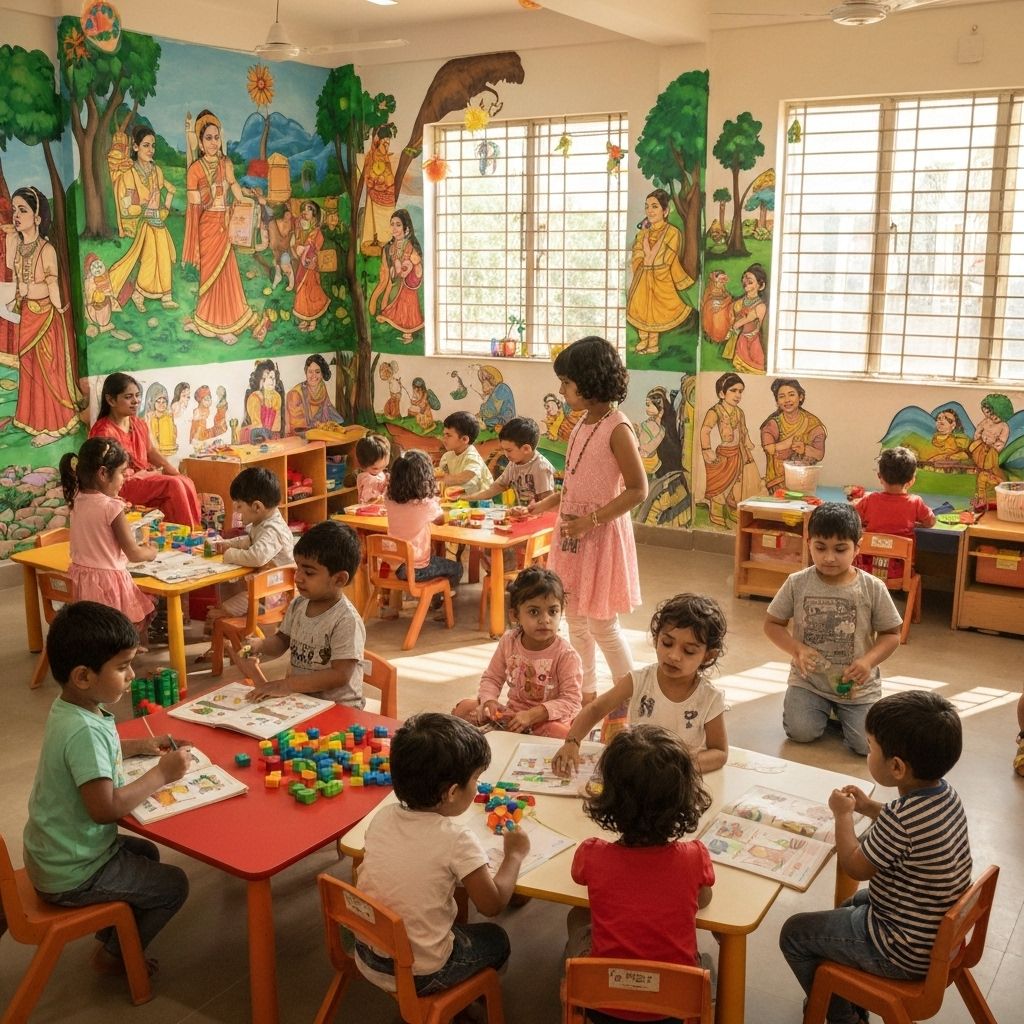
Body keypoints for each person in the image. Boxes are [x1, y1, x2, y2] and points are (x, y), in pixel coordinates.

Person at [780, 691, 973, 1024]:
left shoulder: (900, 818)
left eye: (870, 747)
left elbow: (855, 865)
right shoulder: (946, 794)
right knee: (848, 905)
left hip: (901, 950)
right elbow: (909, 828)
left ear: (896, 767)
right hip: (931, 929)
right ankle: (847, 993)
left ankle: (842, 1016)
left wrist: (843, 815)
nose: (867, 753)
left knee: (795, 933)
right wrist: (869, 807)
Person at [22, 602, 191, 975]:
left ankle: (118, 930)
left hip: (54, 854)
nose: (131, 675)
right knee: (174, 885)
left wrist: (141, 745)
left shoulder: (72, 709)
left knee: (146, 851)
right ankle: (114, 956)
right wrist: (161, 775)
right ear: (83, 676)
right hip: (73, 873)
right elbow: (106, 809)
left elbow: (97, 751)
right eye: (122, 666)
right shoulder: (83, 730)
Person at [354, 713, 529, 995]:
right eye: (476, 779)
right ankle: (465, 997)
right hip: (421, 973)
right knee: (497, 938)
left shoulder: (383, 817)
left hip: (368, 954)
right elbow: (492, 905)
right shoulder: (456, 839)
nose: (477, 786)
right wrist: (515, 855)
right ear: (452, 792)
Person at [530, 337, 647, 703]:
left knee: (602, 625)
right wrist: (547, 503)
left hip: (600, 537)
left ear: (589, 380)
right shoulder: (581, 423)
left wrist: (589, 521)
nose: (561, 391)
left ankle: (631, 696)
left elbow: (638, 490)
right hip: (572, 538)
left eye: (566, 382)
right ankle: (584, 695)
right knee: (576, 622)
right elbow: (574, 482)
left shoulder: (617, 428)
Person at [564, 726, 715, 1007]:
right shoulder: (694, 857)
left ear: (609, 797)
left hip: (603, 1004)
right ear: (683, 798)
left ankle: (576, 993)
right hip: (674, 1007)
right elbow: (703, 899)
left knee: (577, 916)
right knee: (708, 964)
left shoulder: (592, 854)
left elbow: (580, 879)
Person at [764, 503, 903, 756]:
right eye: (820, 548)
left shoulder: (872, 587)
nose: (829, 557)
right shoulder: (797, 582)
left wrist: (868, 662)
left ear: (857, 547)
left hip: (857, 686)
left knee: (866, 747)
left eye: (840, 549)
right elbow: (772, 624)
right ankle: (825, 710)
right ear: (808, 543)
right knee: (800, 732)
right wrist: (797, 649)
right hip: (809, 682)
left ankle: (840, 712)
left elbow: (892, 634)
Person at [553, 594, 729, 776]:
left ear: (708, 656)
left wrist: (682, 766)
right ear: (656, 639)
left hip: (679, 779)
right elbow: (596, 709)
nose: (674, 656)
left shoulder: (709, 698)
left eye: (689, 651)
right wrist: (572, 742)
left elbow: (720, 752)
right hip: (638, 773)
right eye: (667, 643)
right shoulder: (639, 680)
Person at [236, 521, 365, 705]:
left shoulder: (346, 620)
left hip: (339, 707)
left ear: (339, 579)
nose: (297, 577)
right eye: (298, 569)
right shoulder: (299, 604)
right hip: (302, 700)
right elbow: (281, 641)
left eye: (309, 573)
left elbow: (340, 675)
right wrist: (260, 645)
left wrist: (288, 685)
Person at [453, 567, 582, 738]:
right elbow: (492, 678)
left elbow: (571, 701)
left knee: (563, 734)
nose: (545, 620)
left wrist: (532, 715)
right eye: (534, 612)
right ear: (515, 615)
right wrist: (489, 701)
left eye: (553, 611)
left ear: (561, 612)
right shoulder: (509, 641)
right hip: (512, 716)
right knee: (463, 709)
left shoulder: (566, 655)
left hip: (546, 722)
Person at [181, 109, 268, 345]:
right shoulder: (195, 169)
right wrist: (208, 192)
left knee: (228, 274)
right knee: (210, 276)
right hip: (207, 225)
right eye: (208, 138)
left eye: (216, 137)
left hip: (225, 223)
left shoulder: (225, 163)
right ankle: (213, 325)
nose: (213, 142)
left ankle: (228, 320)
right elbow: (193, 203)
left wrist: (247, 200)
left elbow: (234, 186)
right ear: (200, 143)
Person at [6, 186, 83, 446]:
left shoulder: (46, 249)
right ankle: (33, 418)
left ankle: (55, 424)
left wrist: (62, 309)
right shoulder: (18, 246)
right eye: (14, 210)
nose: (16, 215)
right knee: (28, 367)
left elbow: (52, 285)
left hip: (47, 318)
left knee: (48, 370)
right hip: (28, 314)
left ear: (37, 218)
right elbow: (13, 271)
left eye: (22, 210)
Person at [59, 437, 157, 640]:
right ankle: (128, 653)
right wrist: (151, 551)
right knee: (127, 625)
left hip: (82, 579)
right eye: (122, 472)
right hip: (108, 582)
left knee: (95, 632)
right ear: (103, 473)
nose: (125, 478)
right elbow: (134, 553)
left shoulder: (76, 499)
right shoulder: (111, 507)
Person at [89, 372, 202, 527]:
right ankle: (187, 534)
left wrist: (173, 471)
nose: (135, 401)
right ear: (111, 400)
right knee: (173, 485)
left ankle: (190, 530)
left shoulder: (138, 423)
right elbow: (106, 474)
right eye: (128, 397)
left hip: (144, 478)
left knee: (185, 481)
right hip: (122, 484)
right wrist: (145, 475)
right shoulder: (103, 431)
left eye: (137, 395)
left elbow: (150, 452)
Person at [205, 466, 295, 627]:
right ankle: (230, 634)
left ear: (257, 507)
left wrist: (230, 553)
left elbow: (256, 556)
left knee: (219, 612)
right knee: (227, 592)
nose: (236, 511)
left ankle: (231, 638)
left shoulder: (272, 530)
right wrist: (227, 544)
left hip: (273, 594)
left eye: (239, 506)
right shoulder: (263, 522)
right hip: (264, 588)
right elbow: (250, 541)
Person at [107, 125, 178, 312]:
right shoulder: (129, 175)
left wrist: (165, 203)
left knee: (162, 248)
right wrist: (145, 207)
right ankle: (139, 292)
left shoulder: (156, 172)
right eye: (146, 145)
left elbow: (162, 198)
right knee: (152, 247)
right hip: (137, 222)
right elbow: (127, 209)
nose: (150, 150)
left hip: (156, 220)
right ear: (135, 147)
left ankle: (166, 296)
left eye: (153, 146)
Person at [385, 450, 464, 598]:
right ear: (424, 477)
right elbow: (440, 520)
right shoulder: (425, 504)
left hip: (393, 563)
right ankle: (439, 595)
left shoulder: (389, 497)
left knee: (434, 558)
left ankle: (435, 595)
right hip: (416, 570)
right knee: (457, 569)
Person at [626, 189, 694, 356]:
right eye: (647, 206)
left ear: (665, 211)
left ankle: (653, 344)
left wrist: (651, 259)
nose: (649, 211)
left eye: (654, 206)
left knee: (657, 310)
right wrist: (642, 259)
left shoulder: (672, 232)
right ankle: (644, 339)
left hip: (661, 276)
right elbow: (637, 253)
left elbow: (667, 257)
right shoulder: (643, 234)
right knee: (640, 307)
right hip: (643, 275)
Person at [853, 446, 936, 580]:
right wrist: (918, 522)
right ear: (911, 481)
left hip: (867, 570)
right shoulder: (915, 502)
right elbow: (930, 522)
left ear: (880, 477)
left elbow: (853, 519)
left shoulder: (869, 500)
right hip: (900, 572)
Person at [700, 372, 757, 528]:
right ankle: (716, 512)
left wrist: (748, 443)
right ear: (721, 393)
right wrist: (707, 449)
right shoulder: (715, 411)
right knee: (720, 484)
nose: (738, 395)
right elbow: (705, 430)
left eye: (740, 391)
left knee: (735, 484)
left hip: (737, 453)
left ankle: (731, 510)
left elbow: (743, 430)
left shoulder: (739, 412)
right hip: (723, 454)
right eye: (733, 390)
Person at [464, 417, 555, 507]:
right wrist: (468, 497)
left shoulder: (541, 468)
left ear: (526, 449)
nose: (506, 454)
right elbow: (499, 486)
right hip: (522, 513)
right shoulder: (515, 462)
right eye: (504, 450)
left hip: (538, 514)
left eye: (509, 450)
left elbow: (548, 503)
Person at [760, 377, 827, 492]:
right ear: (777, 401)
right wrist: (789, 443)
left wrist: (804, 449)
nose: (787, 400)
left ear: (800, 397)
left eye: (791, 395)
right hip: (776, 482)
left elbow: (819, 454)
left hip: (803, 482)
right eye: (781, 396)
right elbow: (769, 449)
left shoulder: (813, 424)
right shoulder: (772, 424)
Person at [369, 208, 424, 343]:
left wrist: (406, 267)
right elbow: (387, 272)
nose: (394, 228)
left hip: (408, 282)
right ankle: (392, 320)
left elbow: (414, 263)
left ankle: (407, 333)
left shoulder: (410, 245)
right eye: (392, 224)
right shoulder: (389, 248)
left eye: (398, 225)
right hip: (395, 279)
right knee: (395, 303)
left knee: (407, 306)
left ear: (406, 229)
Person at [291, 200, 330, 333]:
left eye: (309, 209)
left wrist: (304, 253)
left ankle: (312, 320)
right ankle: (304, 318)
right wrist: (298, 247)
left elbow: (312, 245)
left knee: (311, 290)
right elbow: (297, 243)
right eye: (304, 209)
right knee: (301, 289)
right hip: (302, 265)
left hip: (311, 264)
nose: (305, 212)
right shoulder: (302, 229)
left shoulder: (316, 231)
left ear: (314, 213)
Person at [723, 264, 768, 374]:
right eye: (744, 279)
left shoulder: (761, 306)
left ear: (761, 286)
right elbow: (730, 317)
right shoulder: (738, 303)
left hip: (753, 343)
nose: (745, 282)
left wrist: (734, 327)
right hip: (741, 341)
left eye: (750, 281)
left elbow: (745, 320)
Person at [285, 353, 344, 435]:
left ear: (322, 373)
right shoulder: (295, 394)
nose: (314, 376)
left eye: (317, 372)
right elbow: (297, 427)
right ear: (305, 372)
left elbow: (330, 411)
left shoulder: (321, 387)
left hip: (320, 433)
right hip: (300, 436)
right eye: (310, 372)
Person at [969, 393, 1012, 500]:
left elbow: (1001, 441)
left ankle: (991, 479)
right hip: (981, 446)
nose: (994, 417)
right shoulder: (986, 421)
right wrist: (978, 437)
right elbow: (979, 430)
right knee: (976, 454)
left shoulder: (1004, 426)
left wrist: (994, 446)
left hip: (991, 450)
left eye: (997, 415)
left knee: (989, 464)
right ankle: (979, 471)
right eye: (991, 414)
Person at [438, 411, 493, 494]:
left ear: (464, 439)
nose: (444, 438)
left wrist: (443, 478)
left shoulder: (473, 457)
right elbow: (441, 479)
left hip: (480, 499)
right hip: (460, 498)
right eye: (444, 434)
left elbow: (467, 476)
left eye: (448, 435)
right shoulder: (447, 456)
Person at [242, 359, 285, 442]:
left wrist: (275, 441)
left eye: (274, 378)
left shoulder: (276, 397)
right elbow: (257, 428)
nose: (273, 381)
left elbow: (276, 428)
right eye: (270, 378)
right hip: (255, 438)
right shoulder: (255, 398)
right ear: (262, 380)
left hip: (271, 439)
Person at [355, 433, 392, 504]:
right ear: (363, 465)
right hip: (370, 509)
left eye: (384, 467)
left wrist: (387, 483)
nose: (380, 471)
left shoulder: (378, 473)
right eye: (376, 468)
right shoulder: (367, 478)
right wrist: (382, 497)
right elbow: (369, 500)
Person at [143, 382, 177, 456]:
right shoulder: (149, 417)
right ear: (153, 403)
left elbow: (172, 437)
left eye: (164, 402)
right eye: (158, 402)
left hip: (169, 452)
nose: (161, 404)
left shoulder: (169, 416)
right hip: (154, 454)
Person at [477, 365, 516, 429]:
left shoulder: (501, 388)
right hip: (498, 421)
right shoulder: (495, 391)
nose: (483, 381)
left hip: (504, 422)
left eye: (486, 378)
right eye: (482, 379)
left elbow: (490, 411)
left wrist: (481, 414)